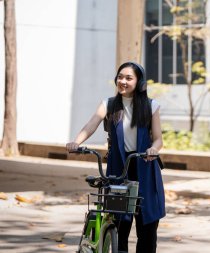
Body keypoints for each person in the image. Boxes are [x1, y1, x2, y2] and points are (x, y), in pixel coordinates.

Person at [66, 62, 165, 253]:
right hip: (119, 165)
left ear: (139, 82)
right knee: (119, 223)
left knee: (147, 225)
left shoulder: (151, 106)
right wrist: (76, 142)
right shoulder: (109, 104)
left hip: (145, 164)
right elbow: (91, 124)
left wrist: (153, 149)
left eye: (129, 78)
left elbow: (159, 139)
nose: (123, 81)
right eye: (120, 77)